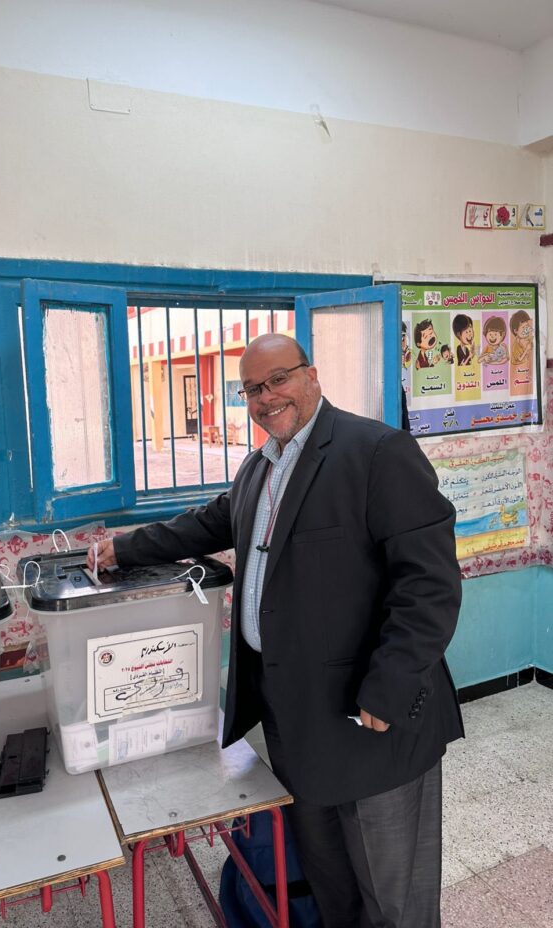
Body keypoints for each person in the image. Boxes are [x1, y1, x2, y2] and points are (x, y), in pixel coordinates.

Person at [88, 334, 463, 928]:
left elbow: (430, 583)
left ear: (311, 376)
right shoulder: (260, 467)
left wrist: (390, 685)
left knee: (395, 901)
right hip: (294, 721)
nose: (266, 397)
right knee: (330, 885)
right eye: (252, 389)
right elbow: (206, 524)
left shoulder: (376, 452)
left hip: (372, 719)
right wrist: (126, 548)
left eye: (278, 379)